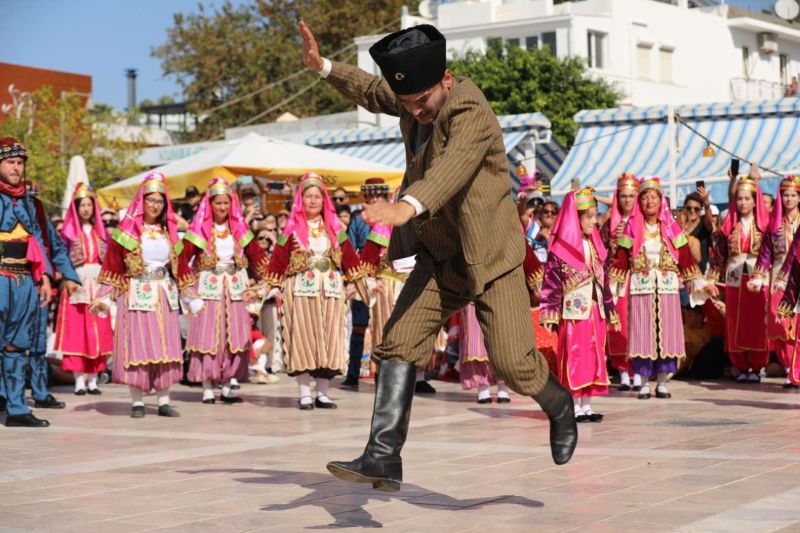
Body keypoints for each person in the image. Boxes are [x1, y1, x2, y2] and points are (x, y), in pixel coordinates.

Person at [299, 21, 578, 492]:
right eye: (407, 104)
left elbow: (453, 167)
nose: (415, 111)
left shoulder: (469, 107)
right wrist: (322, 66)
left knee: (513, 364)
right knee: (397, 341)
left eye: (422, 101)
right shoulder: (414, 102)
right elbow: (372, 90)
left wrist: (404, 206)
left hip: (489, 258)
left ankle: (559, 406)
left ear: (445, 80)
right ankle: (383, 455)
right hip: (441, 258)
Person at [264, 173, 369, 410]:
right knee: (303, 339)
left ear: (324, 201)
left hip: (330, 290)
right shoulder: (290, 230)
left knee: (329, 339)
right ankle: (304, 394)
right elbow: (277, 263)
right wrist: (268, 288)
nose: (312, 201)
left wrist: (355, 283)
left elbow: (351, 259)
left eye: (317, 197)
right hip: (300, 290)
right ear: (301, 200)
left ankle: (323, 393)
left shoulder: (334, 228)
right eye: (308, 196)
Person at [90, 172, 190, 418]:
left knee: (165, 346)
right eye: (151, 200)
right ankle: (137, 402)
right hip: (135, 293)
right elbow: (112, 266)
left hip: (163, 294)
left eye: (159, 201)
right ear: (141, 201)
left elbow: (182, 265)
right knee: (139, 347)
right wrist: (104, 296)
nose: (155, 205)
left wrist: (191, 294)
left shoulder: (170, 233)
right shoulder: (126, 233)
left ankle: (164, 400)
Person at [610, 177, 715, 400]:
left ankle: (661, 382)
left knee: (666, 335)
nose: (650, 201)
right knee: (643, 335)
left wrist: (701, 283)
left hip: (667, 289)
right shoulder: (630, 229)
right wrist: (610, 290)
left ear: (661, 201)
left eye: (654, 197)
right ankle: (645, 383)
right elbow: (620, 260)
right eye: (645, 197)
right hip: (642, 289)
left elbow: (686, 259)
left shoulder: (671, 228)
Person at [0, 137, 76, 427]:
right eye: (10, 162)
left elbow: (46, 243)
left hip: (23, 283)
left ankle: (18, 409)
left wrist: (54, 275)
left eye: (20, 163)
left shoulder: (33, 205)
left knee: (18, 347)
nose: (16, 168)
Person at [180, 177, 269, 404]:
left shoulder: (239, 228)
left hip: (235, 288)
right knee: (209, 336)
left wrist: (267, 280)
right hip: (208, 288)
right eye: (218, 203)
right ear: (209, 204)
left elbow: (257, 257)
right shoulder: (199, 229)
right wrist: (188, 289)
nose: (222, 207)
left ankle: (230, 383)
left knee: (235, 335)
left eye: (225, 203)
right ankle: (207, 385)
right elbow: (180, 259)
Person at [541, 188, 617, 422]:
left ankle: (586, 404)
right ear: (576, 218)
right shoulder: (560, 249)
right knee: (575, 356)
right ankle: (572, 404)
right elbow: (551, 282)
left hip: (595, 311)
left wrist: (610, 309)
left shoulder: (596, 246)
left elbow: (603, 280)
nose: (594, 221)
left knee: (594, 356)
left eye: (595, 216)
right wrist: (550, 312)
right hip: (574, 311)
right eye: (590, 216)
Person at [54, 183, 113, 396]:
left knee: (99, 329)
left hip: (97, 283)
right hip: (76, 283)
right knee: (78, 331)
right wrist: (68, 279)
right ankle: (79, 380)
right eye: (82, 205)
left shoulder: (102, 233)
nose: (86, 209)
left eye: (89, 204)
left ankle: (94, 379)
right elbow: (61, 259)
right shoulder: (68, 234)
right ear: (76, 208)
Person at [709, 177, 770, 383]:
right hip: (735, 280)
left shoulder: (764, 226)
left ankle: (757, 364)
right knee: (735, 321)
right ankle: (740, 365)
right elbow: (719, 255)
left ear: (755, 201)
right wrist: (712, 279)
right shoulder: (729, 227)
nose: (743, 203)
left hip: (757, 278)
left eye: (747, 198)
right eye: (739, 199)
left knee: (757, 322)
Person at [750, 176, 800, 387]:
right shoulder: (774, 223)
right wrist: (758, 275)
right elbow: (764, 254)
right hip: (779, 276)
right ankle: (789, 368)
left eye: (793, 195)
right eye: (785, 195)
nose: (788, 199)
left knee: (796, 324)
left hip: (798, 274)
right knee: (779, 324)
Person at [598, 174, 639, 391]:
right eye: (623, 196)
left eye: (632, 196)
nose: (627, 200)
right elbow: (601, 253)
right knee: (619, 322)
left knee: (638, 322)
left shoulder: (643, 223)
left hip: (639, 278)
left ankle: (639, 368)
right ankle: (622, 370)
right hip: (617, 280)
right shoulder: (609, 226)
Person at [682, 190, 714, 274]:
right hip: (682, 274)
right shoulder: (679, 226)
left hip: (699, 274)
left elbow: (709, 221)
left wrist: (706, 203)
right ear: (684, 208)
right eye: (689, 208)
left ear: (701, 210)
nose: (692, 211)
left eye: (696, 209)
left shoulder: (704, 224)